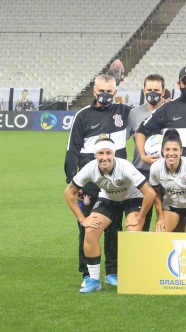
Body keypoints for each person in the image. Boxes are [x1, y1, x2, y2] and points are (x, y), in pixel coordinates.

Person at [63, 135, 156, 293]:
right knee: (90, 231)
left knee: (133, 233)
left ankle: (131, 278)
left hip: (133, 199)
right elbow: (68, 193)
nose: (104, 157)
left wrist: (140, 216)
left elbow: (150, 193)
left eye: (108, 153)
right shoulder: (90, 168)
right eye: (100, 153)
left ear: (113, 154)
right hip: (109, 199)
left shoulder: (125, 166)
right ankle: (93, 280)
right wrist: (82, 219)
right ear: (95, 155)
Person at [64, 74, 131, 289]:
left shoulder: (124, 112)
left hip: (117, 184)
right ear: (94, 91)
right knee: (87, 229)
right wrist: (73, 183)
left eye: (109, 92)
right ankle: (87, 274)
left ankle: (113, 272)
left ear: (115, 93)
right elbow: (72, 150)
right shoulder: (83, 116)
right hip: (90, 185)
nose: (105, 95)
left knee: (114, 229)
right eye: (101, 91)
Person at [138, 66, 186, 170]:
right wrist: (143, 156)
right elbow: (141, 131)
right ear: (179, 84)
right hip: (173, 173)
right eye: (185, 83)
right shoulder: (167, 107)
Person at [149, 129, 186, 233]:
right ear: (162, 151)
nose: (171, 153)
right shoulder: (155, 168)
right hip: (171, 206)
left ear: (181, 151)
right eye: (167, 149)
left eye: (175, 149)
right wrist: (160, 217)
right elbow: (155, 192)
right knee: (159, 234)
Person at [128, 74, 166, 230]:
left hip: (165, 173)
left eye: (156, 90)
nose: (153, 93)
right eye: (149, 89)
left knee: (165, 219)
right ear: (143, 91)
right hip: (140, 172)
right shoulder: (134, 114)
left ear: (163, 91)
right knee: (141, 219)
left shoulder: (169, 111)